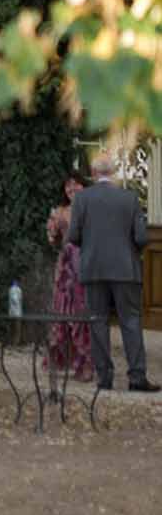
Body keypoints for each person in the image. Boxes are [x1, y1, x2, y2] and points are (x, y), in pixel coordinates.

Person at [67, 154, 155, 392]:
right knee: (131, 321)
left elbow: (73, 236)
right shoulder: (130, 198)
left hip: (93, 268)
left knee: (98, 321)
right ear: (113, 173)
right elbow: (141, 237)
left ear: (94, 174)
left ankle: (104, 378)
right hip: (125, 268)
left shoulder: (82, 199)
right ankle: (136, 378)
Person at [46, 172, 93, 382]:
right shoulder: (60, 211)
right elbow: (53, 241)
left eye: (76, 185)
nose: (72, 189)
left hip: (85, 262)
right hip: (65, 265)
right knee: (62, 308)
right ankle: (63, 357)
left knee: (81, 310)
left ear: (84, 186)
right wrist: (52, 232)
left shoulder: (92, 209)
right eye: (68, 186)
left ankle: (85, 362)